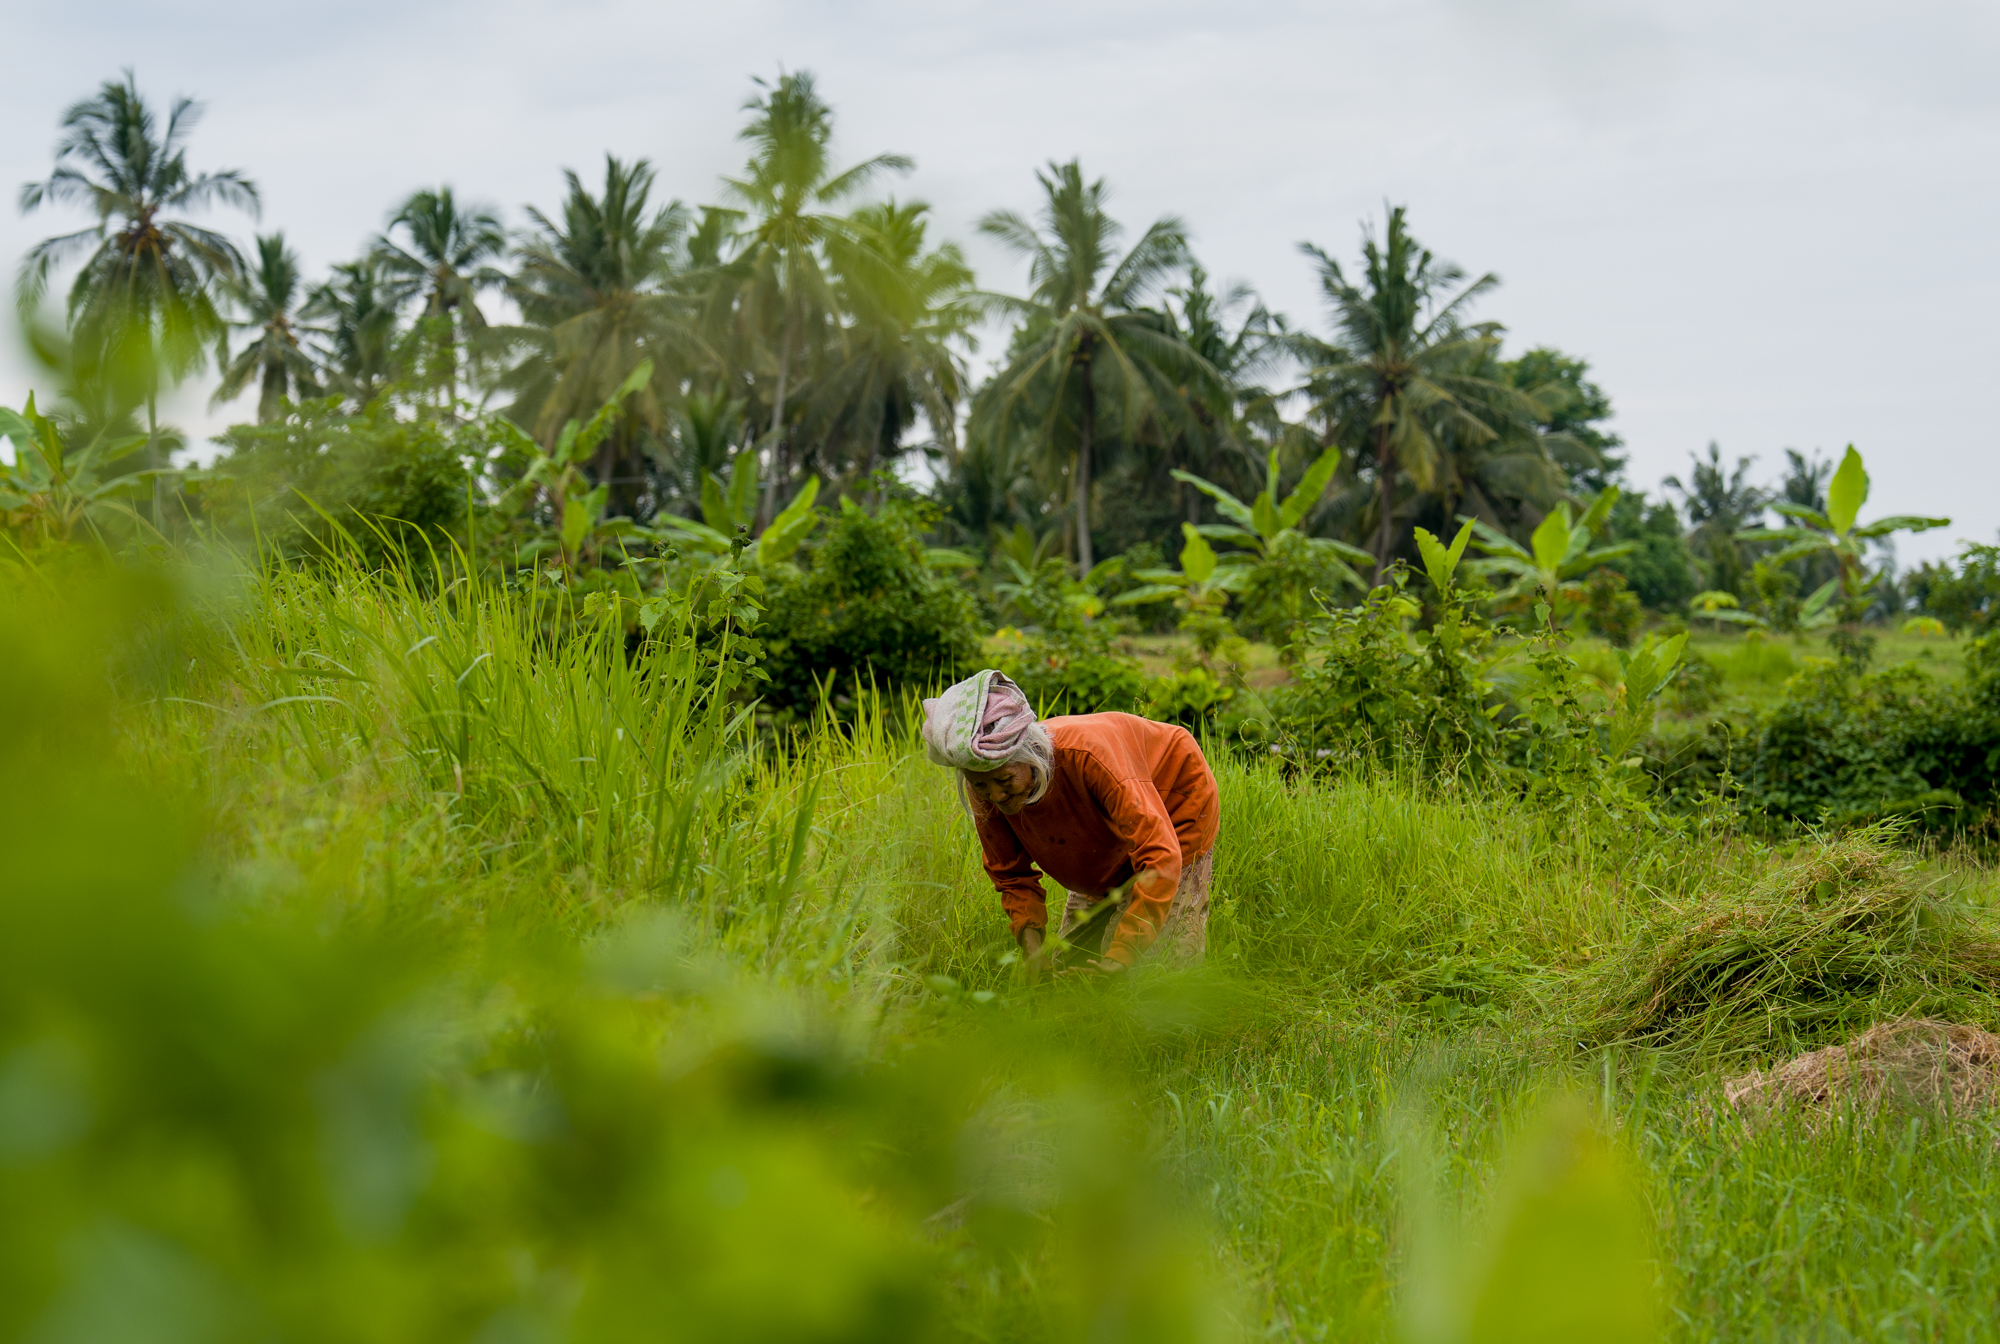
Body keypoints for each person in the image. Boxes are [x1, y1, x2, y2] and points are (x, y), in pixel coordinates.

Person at [921, 669, 1219, 977]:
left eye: (1005, 780)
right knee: (1070, 971)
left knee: (1146, 973)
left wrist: (1123, 953)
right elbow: (1010, 874)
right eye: (981, 786)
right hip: (1107, 830)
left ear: (1030, 756)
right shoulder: (986, 779)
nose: (996, 795)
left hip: (1174, 798)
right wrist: (1033, 951)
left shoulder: (1087, 757)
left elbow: (1160, 855)